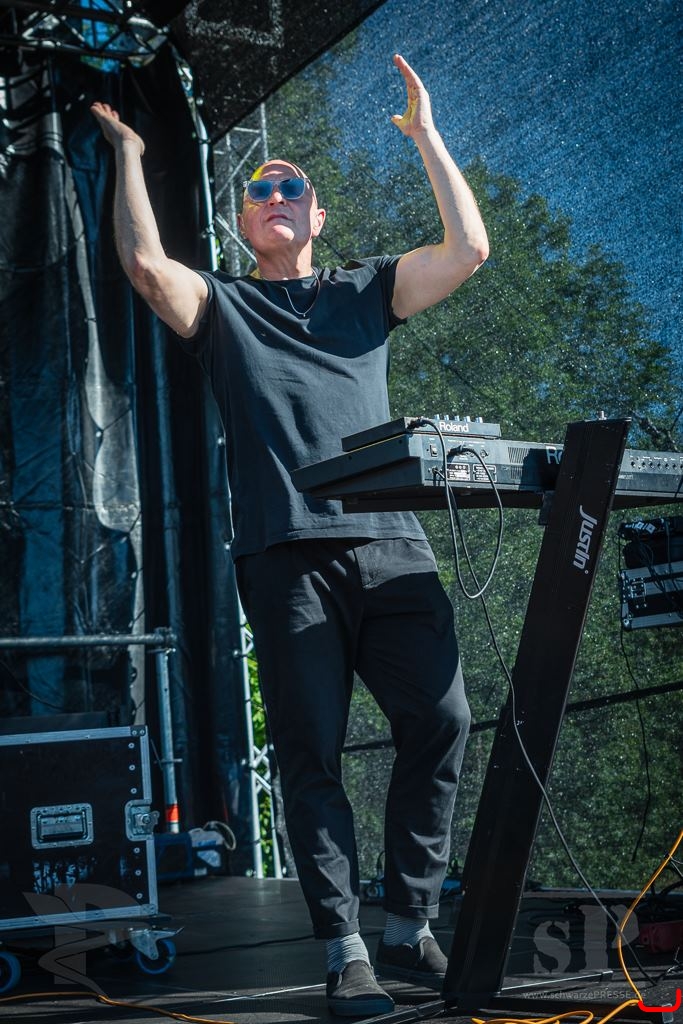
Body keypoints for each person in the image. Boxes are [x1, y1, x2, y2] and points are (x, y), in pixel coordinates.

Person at [92, 52, 488, 1017]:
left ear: (317, 217)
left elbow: (469, 250)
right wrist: (130, 155)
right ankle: (346, 949)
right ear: (242, 223)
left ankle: (409, 920)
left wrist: (425, 134)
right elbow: (145, 267)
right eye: (259, 191)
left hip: (392, 547)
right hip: (283, 558)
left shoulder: (368, 291)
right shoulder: (224, 305)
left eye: (291, 188)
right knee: (310, 755)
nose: (274, 195)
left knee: (442, 720)